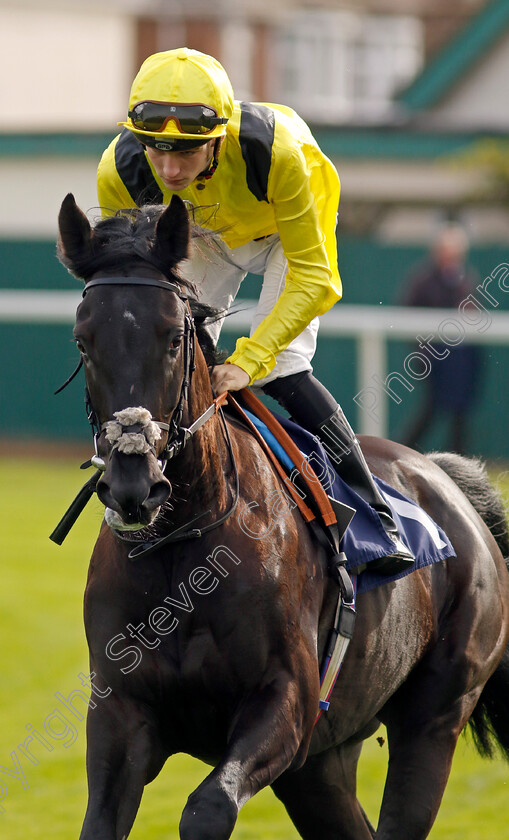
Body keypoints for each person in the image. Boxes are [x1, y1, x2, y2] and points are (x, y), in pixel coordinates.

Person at [97, 47, 413, 572]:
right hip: (204, 238)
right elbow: (137, 284)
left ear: (218, 137)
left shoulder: (280, 153)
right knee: (175, 350)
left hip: (285, 238)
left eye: (189, 152)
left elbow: (317, 277)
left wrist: (252, 358)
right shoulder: (120, 169)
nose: (171, 169)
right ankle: (146, 483)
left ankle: (376, 513)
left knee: (282, 368)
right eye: (157, 151)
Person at [399, 224, 481, 454]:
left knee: (460, 414)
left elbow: (471, 313)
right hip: (434, 358)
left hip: (460, 359)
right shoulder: (423, 280)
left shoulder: (465, 278)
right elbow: (409, 313)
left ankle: (460, 460)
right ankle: (404, 451)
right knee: (431, 409)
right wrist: (423, 351)